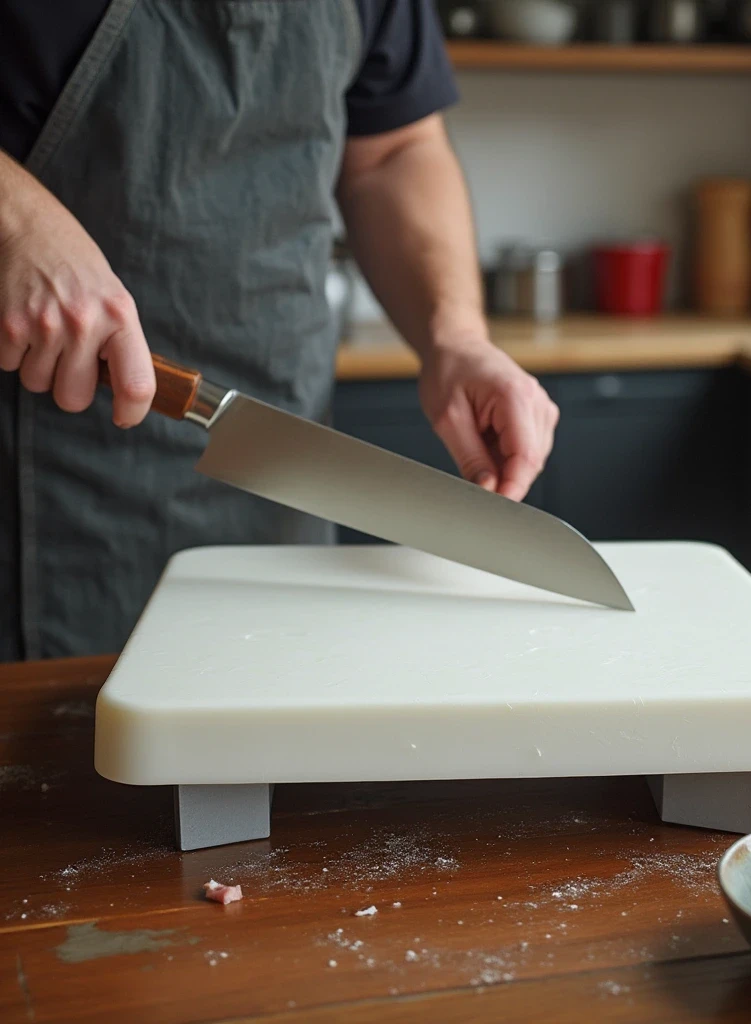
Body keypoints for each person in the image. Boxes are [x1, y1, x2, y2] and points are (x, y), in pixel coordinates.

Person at [0, 0, 559, 662]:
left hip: (278, 450)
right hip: (45, 468)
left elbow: (394, 150)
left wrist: (457, 335)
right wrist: (16, 219)